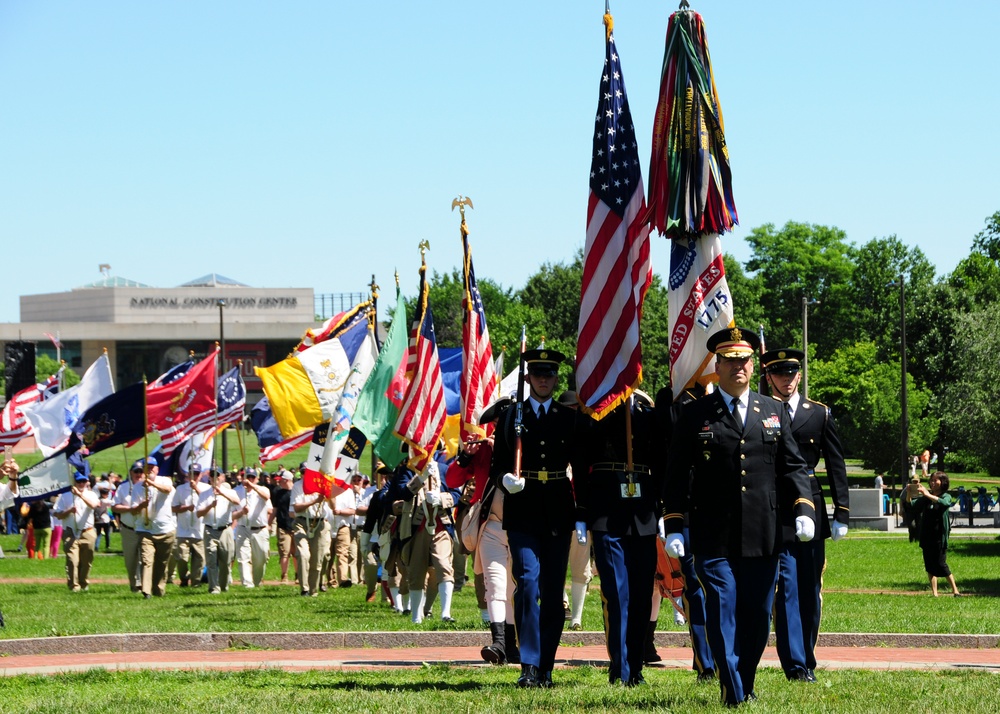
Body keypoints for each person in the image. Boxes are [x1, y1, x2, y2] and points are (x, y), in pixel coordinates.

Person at [662, 327, 816, 707]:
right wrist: (675, 523)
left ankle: (744, 680)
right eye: (730, 361)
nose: (738, 368)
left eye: (744, 361)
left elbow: (794, 466)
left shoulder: (774, 410)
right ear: (717, 366)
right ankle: (732, 687)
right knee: (721, 604)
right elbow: (676, 473)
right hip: (713, 535)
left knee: (758, 616)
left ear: (753, 365)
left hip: (764, 534)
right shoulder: (695, 414)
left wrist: (804, 508)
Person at [762, 348, 851, 684]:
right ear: (769, 376)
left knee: (810, 589)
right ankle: (796, 665)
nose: (787, 379)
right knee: (786, 589)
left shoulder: (819, 414)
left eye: (792, 373)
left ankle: (807, 656)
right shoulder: (762, 412)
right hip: (775, 508)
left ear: (799, 375)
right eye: (779, 373)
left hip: (811, 506)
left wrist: (841, 512)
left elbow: (836, 464)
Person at [493, 348, 580, 688]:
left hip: (558, 510)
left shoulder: (567, 417)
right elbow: (498, 463)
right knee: (527, 584)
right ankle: (528, 663)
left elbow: (581, 469)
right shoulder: (512, 415)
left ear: (556, 379)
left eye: (550, 374)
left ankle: (546, 664)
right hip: (523, 509)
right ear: (528, 378)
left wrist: (583, 513)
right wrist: (505, 480)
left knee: (552, 589)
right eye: (538, 373)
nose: (544, 379)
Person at [575, 390, 660, 686]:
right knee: (616, 591)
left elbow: (660, 461)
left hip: (643, 514)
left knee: (640, 595)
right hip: (606, 511)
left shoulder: (648, 413)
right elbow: (582, 455)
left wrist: (663, 509)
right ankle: (620, 666)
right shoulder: (595, 412)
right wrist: (582, 510)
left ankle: (635, 667)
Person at [910, 471, 961, 597]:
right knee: (929, 564)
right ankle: (935, 593)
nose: (932, 483)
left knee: (941, 563)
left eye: (935, 480)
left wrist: (927, 494)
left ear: (943, 482)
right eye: (931, 480)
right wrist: (909, 492)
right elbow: (912, 505)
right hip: (927, 535)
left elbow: (945, 503)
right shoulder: (926, 498)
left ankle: (955, 590)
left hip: (939, 536)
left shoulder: (946, 496)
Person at [134, 457, 176, 598]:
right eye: (147, 467)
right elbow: (133, 510)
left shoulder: (165, 480)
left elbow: (167, 490)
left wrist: (151, 484)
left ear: (157, 469)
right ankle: (146, 591)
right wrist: (141, 506)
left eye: (153, 467)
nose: (150, 469)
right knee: (147, 560)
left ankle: (158, 589)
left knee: (162, 563)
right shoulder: (137, 486)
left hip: (165, 529)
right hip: (145, 529)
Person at [53, 471, 101, 591]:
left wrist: (80, 495)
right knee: (72, 560)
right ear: (74, 482)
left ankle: (83, 582)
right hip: (70, 531)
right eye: (79, 481)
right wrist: (69, 511)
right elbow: (57, 514)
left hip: (87, 531)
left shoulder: (91, 494)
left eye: (84, 481)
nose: (81, 483)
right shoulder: (64, 496)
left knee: (87, 560)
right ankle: (74, 585)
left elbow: (94, 505)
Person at [198, 468, 240, 594]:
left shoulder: (229, 491)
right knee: (211, 560)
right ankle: (213, 588)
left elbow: (237, 502)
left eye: (217, 475)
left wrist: (222, 493)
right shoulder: (204, 494)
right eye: (212, 475)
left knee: (226, 561)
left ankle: (223, 586)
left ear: (222, 477)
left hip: (225, 530)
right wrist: (210, 506)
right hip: (210, 530)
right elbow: (198, 513)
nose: (214, 478)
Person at [290, 474, 332, 597]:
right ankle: (304, 589)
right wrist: (314, 501)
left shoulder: (322, 485)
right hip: (301, 523)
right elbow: (297, 508)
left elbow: (333, 506)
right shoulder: (298, 486)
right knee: (303, 554)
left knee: (318, 557)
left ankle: (313, 590)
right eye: (304, 472)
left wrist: (328, 495)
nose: (305, 475)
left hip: (319, 523)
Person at [112, 462, 151, 592]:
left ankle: (144, 586)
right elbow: (114, 506)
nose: (138, 474)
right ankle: (134, 585)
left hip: (146, 528)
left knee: (145, 559)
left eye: (141, 472)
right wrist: (131, 509)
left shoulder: (149, 487)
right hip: (129, 529)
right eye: (136, 472)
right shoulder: (123, 488)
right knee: (131, 560)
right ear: (131, 473)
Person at [233, 467, 272, 588]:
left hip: (260, 529)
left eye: (252, 477)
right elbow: (232, 514)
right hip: (243, 527)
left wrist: (252, 486)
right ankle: (247, 584)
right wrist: (241, 512)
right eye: (246, 477)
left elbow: (266, 497)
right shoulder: (236, 491)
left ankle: (256, 580)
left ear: (256, 478)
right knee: (243, 558)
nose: (249, 479)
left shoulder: (262, 489)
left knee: (261, 558)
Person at [171, 464, 209, 587]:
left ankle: (196, 582)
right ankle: (184, 578)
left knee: (200, 559)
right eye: (192, 473)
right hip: (183, 530)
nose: (195, 476)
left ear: (201, 475)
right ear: (188, 474)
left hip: (200, 530)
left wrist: (196, 489)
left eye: (197, 474)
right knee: (182, 558)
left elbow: (208, 503)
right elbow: (174, 508)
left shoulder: (206, 488)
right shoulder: (181, 489)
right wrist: (187, 507)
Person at [269, 468, 297, 584]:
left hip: (296, 526)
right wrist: (269, 522)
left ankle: (298, 575)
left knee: (296, 553)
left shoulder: (296, 491)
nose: (278, 482)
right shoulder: (278, 492)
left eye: (280, 480)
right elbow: (274, 510)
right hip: (282, 526)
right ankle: (284, 576)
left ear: (287, 480)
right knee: (284, 552)